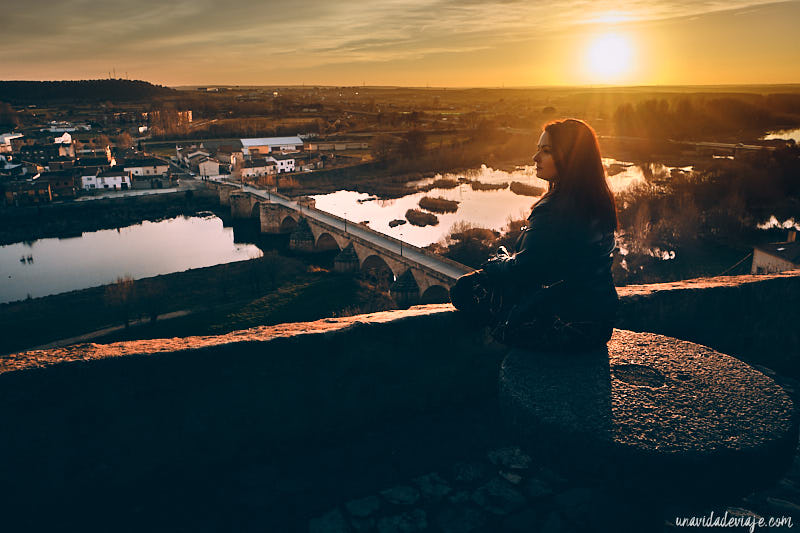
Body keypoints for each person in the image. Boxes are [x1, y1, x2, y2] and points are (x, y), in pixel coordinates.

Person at [450, 118, 618, 352]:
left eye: (546, 151)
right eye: (538, 149)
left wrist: (496, 264)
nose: (535, 158)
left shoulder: (554, 208)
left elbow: (525, 269)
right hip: (598, 324)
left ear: (571, 157)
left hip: (560, 326)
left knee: (465, 288)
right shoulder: (598, 201)